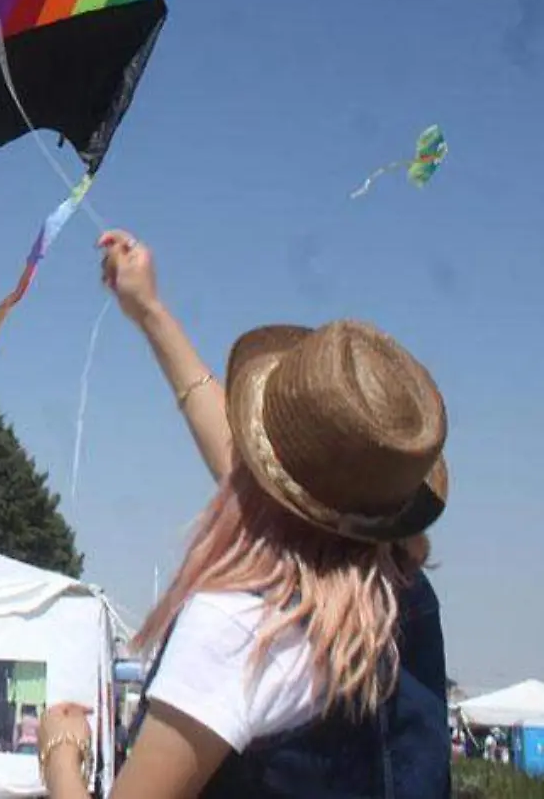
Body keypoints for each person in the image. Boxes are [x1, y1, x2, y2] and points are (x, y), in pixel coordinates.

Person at [35, 231, 451, 798]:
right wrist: (150, 311)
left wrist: (62, 755)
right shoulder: (401, 596)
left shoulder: (240, 629)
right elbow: (246, 469)